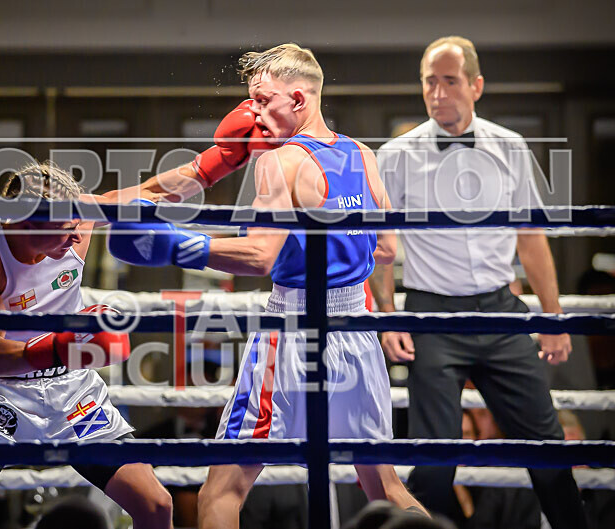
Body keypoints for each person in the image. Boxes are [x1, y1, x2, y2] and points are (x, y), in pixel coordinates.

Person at [106, 43, 427, 528]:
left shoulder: (279, 162)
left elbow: (259, 255)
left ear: (297, 99)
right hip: (357, 331)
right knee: (383, 484)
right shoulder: (362, 154)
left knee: (220, 493)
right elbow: (385, 248)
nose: (249, 110)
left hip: (293, 331)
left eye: (261, 98)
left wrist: (175, 246)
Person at [372, 35, 586, 528]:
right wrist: (388, 317)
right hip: (431, 315)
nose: (439, 92)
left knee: (549, 453)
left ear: (476, 85)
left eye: (450, 81)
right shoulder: (396, 155)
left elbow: (531, 240)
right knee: (434, 463)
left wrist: (552, 318)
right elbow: (382, 248)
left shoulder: (510, 148)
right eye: (430, 82)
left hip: (501, 310)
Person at [0, 162, 173, 529]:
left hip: (73, 394)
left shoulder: (77, 219)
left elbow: (144, 193)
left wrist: (213, 163)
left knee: (157, 505)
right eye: (65, 230)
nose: (77, 237)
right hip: (2, 397)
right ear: (29, 224)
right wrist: (65, 343)